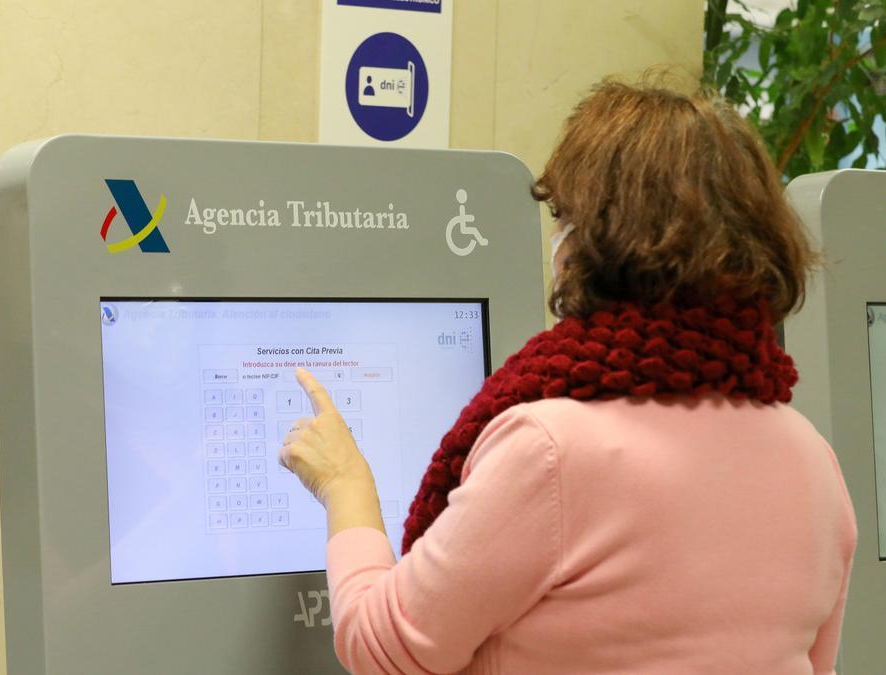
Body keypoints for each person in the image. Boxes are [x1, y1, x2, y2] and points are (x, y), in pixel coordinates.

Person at [280, 80, 856, 674]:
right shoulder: (811, 458)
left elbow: (386, 651)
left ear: (601, 238)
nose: (557, 240)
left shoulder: (550, 450)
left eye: (564, 217)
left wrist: (345, 483)